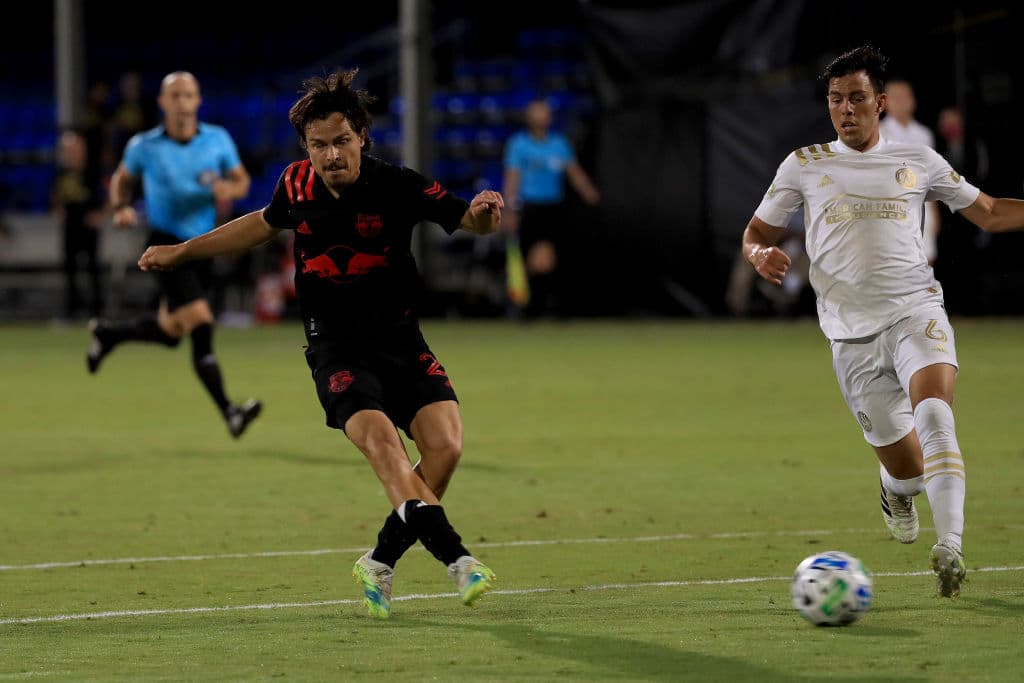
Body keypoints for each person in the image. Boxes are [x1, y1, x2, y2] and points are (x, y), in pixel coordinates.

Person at [137, 68, 503, 619]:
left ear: (362, 138)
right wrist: (183, 251)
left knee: (446, 448)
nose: (331, 155)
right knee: (386, 450)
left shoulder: (396, 185)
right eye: (319, 145)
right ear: (306, 147)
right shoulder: (295, 186)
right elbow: (258, 225)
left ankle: (378, 561)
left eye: (341, 141)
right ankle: (459, 560)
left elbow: (468, 220)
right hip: (337, 350)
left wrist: (484, 214)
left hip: (402, 342)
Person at [741, 45, 1024, 599]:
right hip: (850, 336)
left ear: (881, 103)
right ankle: (895, 488)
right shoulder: (804, 164)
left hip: (916, 310)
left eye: (856, 98)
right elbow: (756, 232)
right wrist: (759, 255)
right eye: (835, 100)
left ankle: (951, 547)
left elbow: (989, 212)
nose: (845, 109)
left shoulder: (919, 159)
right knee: (910, 472)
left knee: (936, 412)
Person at [87, 71, 262, 439]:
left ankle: (108, 334)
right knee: (201, 323)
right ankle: (230, 411)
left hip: (204, 245)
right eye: (175, 95)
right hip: (165, 245)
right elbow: (121, 178)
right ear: (163, 102)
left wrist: (228, 189)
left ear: (198, 101)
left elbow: (242, 181)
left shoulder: (217, 139)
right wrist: (121, 206)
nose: (182, 102)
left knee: (170, 332)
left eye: (188, 95)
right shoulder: (144, 145)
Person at [502, 95, 600, 318]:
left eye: (545, 113)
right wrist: (509, 209)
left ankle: (554, 306)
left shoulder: (559, 144)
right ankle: (529, 307)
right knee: (534, 258)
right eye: (537, 112)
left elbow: (574, 173)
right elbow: (512, 178)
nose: (541, 117)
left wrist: (590, 194)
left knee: (553, 257)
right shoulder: (519, 145)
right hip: (531, 207)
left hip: (554, 208)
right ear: (529, 117)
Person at [879, 78, 941, 265]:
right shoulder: (877, 133)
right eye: (895, 97)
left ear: (913, 100)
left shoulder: (924, 134)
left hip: (922, 206)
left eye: (904, 96)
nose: (900, 101)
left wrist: (934, 212)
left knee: (925, 263)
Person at [51, 127, 106, 320]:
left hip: (88, 225)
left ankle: (97, 309)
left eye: (75, 149)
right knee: (70, 268)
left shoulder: (93, 171)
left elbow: (108, 193)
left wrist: (100, 214)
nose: (72, 153)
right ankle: (72, 309)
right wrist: (58, 207)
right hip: (70, 225)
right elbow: (56, 195)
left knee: (92, 267)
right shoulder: (62, 173)